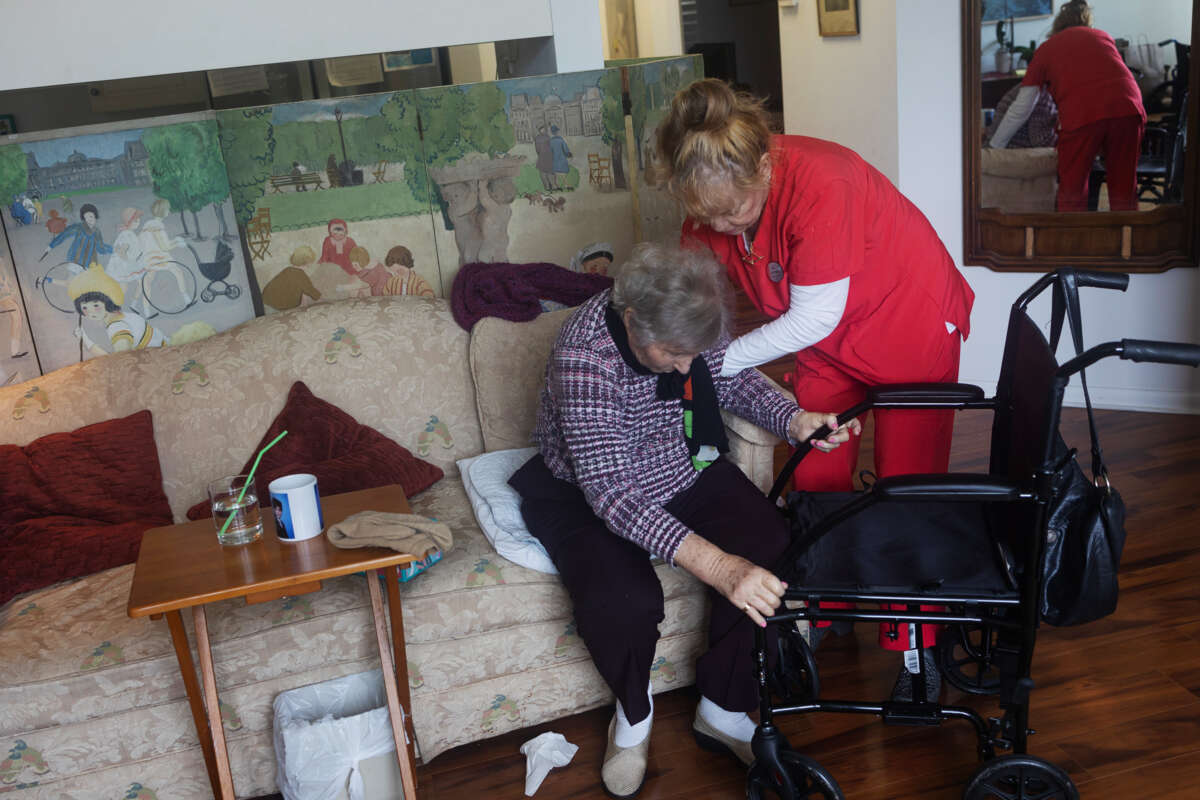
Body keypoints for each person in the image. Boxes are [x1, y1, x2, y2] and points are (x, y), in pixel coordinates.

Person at [654, 78, 975, 699]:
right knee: (815, 468)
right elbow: (694, 290)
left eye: (732, 211)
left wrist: (713, 364)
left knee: (905, 490)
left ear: (764, 167)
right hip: (830, 344)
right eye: (706, 214)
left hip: (906, 322)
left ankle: (917, 650)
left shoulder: (823, 181)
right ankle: (824, 609)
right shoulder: (712, 197)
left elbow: (812, 317)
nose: (719, 224)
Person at [508, 242, 857, 798]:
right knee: (621, 600)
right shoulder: (585, 355)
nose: (687, 365)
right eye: (673, 353)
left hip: (674, 463)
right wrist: (718, 566)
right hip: (586, 489)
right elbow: (612, 492)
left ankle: (722, 707)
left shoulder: (690, 323)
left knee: (770, 541)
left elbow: (729, 377)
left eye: (694, 350)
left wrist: (793, 421)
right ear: (632, 322)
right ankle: (633, 717)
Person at [988, 0, 1146, 211]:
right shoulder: (1103, 36)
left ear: (1058, 25)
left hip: (1082, 115)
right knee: (1124, 187)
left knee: (1073, 188)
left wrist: (995, 146)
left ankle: (1072, 241)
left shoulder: (1046, 49)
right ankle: (1127, 241)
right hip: (1129, 108)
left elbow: (1022, 107)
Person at [67, 264, 166, 356]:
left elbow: (119, 360)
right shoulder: (123, 315)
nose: (91, 312)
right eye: (84, 308)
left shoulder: (117, 326)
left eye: (96, 305)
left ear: (107, 302)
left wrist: (85, 339)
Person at [42, 203, 111, 267]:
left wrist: (113, 250)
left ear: (95, 216)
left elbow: (101, 248)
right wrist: (51, 246)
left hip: (89, 264)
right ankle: (45, 280)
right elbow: (64, 235)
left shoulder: (97, 232)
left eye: (91, 216)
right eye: (86, 217)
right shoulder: (78, 227)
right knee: (72, 278)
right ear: (83, 219)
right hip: (75, 260)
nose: (89, 219)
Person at [261, 245, 322, 311]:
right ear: (306, 262)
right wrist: (326, 301)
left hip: (266, 300)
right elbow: (312, 291)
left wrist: (304, 303)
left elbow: (303, 290)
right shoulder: (300, 275)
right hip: (275, 305)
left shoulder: (288, 269)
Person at [549, 125, 572, 189]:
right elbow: (566, 149)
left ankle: (556, 184)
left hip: (554, 159)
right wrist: (569, 154)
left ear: (552, 133)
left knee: (555, 171)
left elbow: (550, 151)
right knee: (564, 171)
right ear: (557, 132)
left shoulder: (550, 141)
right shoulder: (561, 140)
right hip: (561, 158)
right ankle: (566, 184)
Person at [534, 125, 555, 191]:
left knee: (543, 172)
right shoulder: (547, 137)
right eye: (543, 129)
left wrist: (539, 154)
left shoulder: (537, 138)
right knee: (548, 171)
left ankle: (547, 187)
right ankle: (551, 185)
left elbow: (537, 149)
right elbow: (551, 146)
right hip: (548, 156)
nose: (544, 131)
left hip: (542, 156)